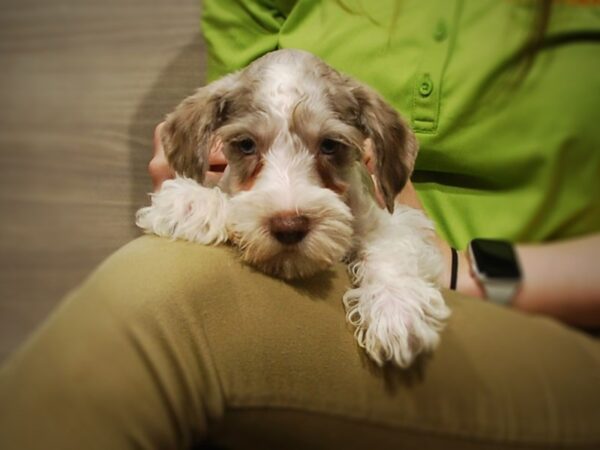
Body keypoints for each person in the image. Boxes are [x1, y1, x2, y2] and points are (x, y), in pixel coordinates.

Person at [1, 1, 599, 449]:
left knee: (153, 304)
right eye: (247, 147)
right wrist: (200, 184)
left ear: (374, 152)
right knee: (154, 283)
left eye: (331, 150)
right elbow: (219, 151)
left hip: (546, 331)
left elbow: (384, 230)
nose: (288, 206)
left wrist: (445, 268)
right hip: (309, 289)